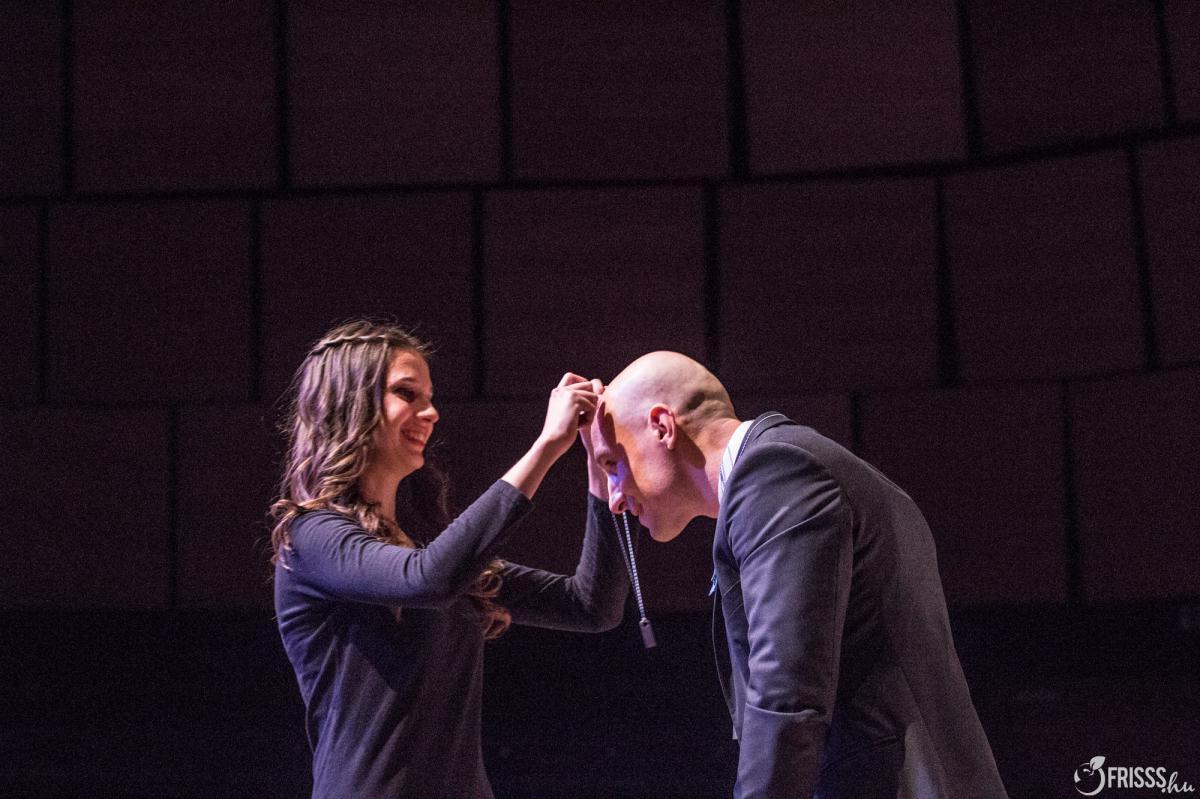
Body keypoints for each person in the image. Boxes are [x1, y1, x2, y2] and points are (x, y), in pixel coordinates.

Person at [589, 351, 1008, 799]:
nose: (614, 498)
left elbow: (785, 699)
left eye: (612, 464)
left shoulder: (775, 473)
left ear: (662, 426)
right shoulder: (790, 466)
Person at [269, 320, 628, 799]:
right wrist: (545, 447)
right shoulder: (310, 536)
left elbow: (591, 606)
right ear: (350, 404)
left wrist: (601, 470)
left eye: (429, 397)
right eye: (407, 393)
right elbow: (428, 580)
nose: (431, 412)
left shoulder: (422, 552)